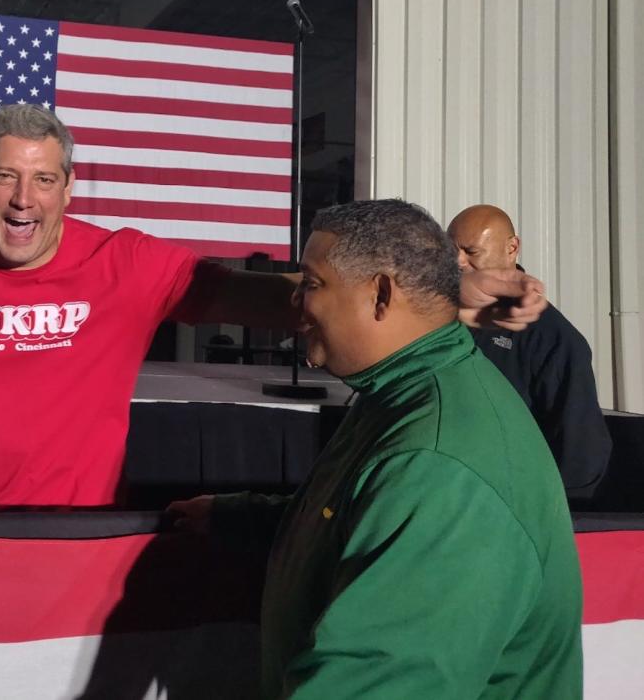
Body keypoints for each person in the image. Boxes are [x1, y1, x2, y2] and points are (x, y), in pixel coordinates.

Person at [0, 105, 547, 554]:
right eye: (6, 174)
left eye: (43, 179)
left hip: (89, 535)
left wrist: (451, 296)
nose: (22, 197)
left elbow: (269, 298)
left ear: (69, 189)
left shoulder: (126, 263)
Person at [169, 200, 582, 699]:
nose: (296, 303)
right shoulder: (401, 394)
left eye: (312, 284)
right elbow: (352, 516)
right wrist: (238, 518)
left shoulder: (437, 463)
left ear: (381, 294)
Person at [448, 203, 612, 499]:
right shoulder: (435, 317)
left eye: (471, 251)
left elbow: (579, 454)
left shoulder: (556, 340)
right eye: (451, 250)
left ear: (512, 248)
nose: (458, 261)